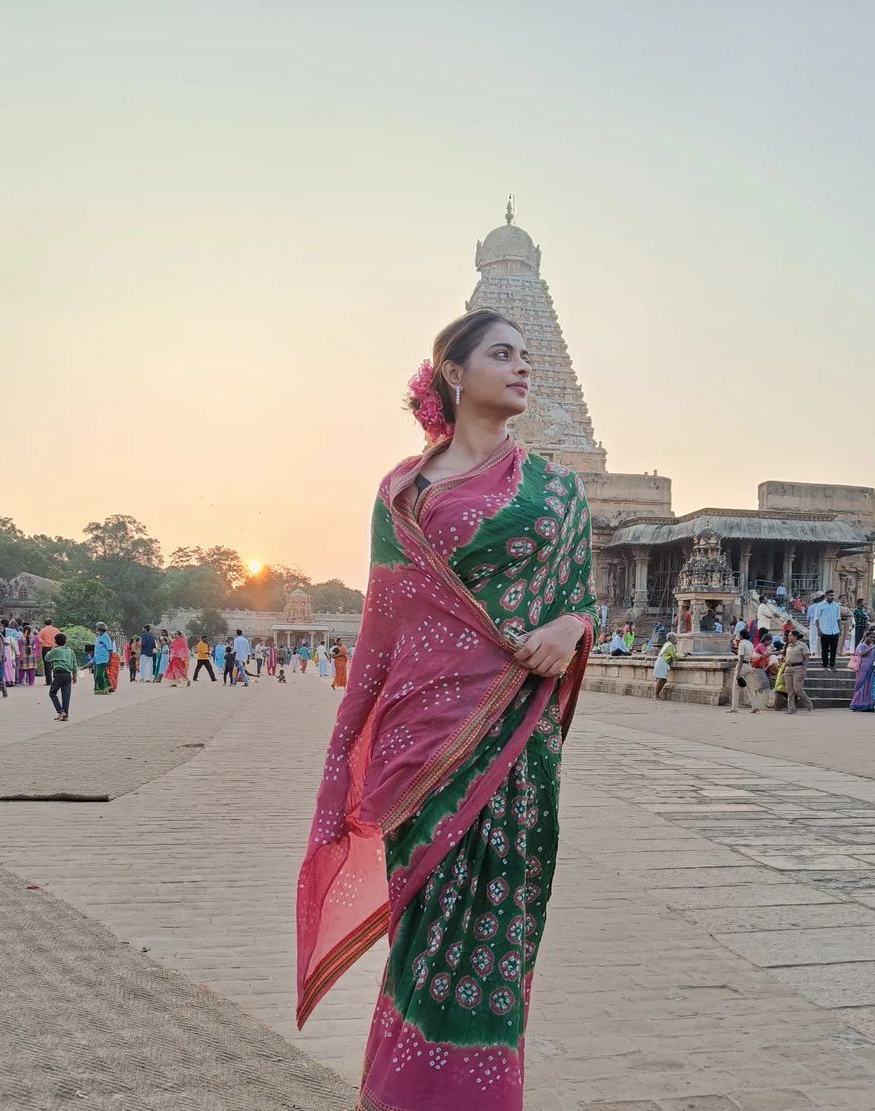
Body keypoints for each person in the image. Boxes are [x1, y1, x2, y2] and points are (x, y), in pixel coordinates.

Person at [295, 307, 597, 1110]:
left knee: (496, 953)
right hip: (422, 750)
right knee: (425, 947)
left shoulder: (559, 491)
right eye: (503, 353)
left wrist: (570, 628)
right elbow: (382, 630)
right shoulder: (403, 492)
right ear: (454, 374)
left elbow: (580, 603)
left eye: (530, 354)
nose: (523, 367)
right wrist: (344, 757)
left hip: (517, 751)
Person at [44, 632, 79, 721]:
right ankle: (66, 715)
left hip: (59, 674)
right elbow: (75, 664)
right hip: (68, 674)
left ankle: (60, 711)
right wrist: (74, 676)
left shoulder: (56, 650)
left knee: (52, 693)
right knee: (66, 695)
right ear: (65, 641)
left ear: (55, 641)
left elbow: (46, 658)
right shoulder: (70, 651)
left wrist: (52, 649)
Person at [783, 630, 813, 713]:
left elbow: (807, 658)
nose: (789, 637)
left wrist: (804, 669)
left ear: (795, 636)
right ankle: (791, 708)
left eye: (790, 635)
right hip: (788, 668)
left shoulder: (802, 646)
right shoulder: (788, 646)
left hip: (798, 668)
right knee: (790, 690)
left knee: (797, 690)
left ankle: (808, 703)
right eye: (788, 635)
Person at [849, 631, 875, 711]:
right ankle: (857, 704)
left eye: (873, 638)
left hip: (870, 669)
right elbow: (861, 653)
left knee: (868, 686)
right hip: (863, 668)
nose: (871, 639)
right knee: (861, 686)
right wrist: (871, 648)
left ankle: (867, 704)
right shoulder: (862, 645)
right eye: (870, 637)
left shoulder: (872, 646)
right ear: (866, 636)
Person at [815, 589, 842, 670]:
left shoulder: (836, 605)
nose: (832, 597)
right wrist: (818, 630)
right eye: (830, 596)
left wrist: (840, 629)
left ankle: (832, 664)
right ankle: (825, 664)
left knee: (834, 649)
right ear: (826, 596)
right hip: (824, 631)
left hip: (835, 631)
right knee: (825, 649)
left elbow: (838, 618)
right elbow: (816, 619)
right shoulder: (820, 605)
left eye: (833, 596)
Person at [653, 634, 678, 699]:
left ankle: (657, 694)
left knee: (663, 680)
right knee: (660, 679)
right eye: (675, 638)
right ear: (671, 638)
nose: (676, 639)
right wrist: (683, 656)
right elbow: (674, 655)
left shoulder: (666, 644)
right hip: (663, 661)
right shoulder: (670, 645)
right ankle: (656, 695)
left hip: (661, 661)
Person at [92, 623, 114, 694]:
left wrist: (109, 660)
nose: (96, 628)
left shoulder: (106, 637)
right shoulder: (98, 637)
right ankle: (109, 687)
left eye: (97, 627)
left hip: (103, 659)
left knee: (99, 674)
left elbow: (110, 650)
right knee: (104, 675)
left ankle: (102, 689)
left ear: (100, 628)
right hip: (98, 659)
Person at [39, 617, 59, 685]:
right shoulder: (56, 630)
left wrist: (44, 643)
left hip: (46, 648)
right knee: (56, 663)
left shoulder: (43, 630)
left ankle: (49, 681)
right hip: (55, 647)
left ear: (44, 623)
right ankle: (56, 679)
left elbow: (39, 638)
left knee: (47, 664)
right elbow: (60, 637)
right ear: (51, 623)